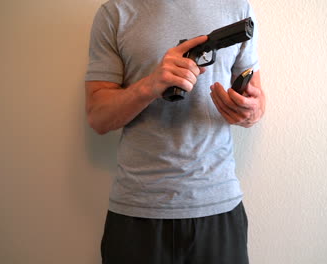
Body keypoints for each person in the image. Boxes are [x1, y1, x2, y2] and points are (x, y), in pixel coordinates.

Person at [85, 0, 265, 263]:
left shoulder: (237, 8)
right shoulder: (115, 13)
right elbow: (98, 118)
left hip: (218, 204)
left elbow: (258, 103)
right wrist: (150, 85)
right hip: (138, 211)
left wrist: (249, 111)